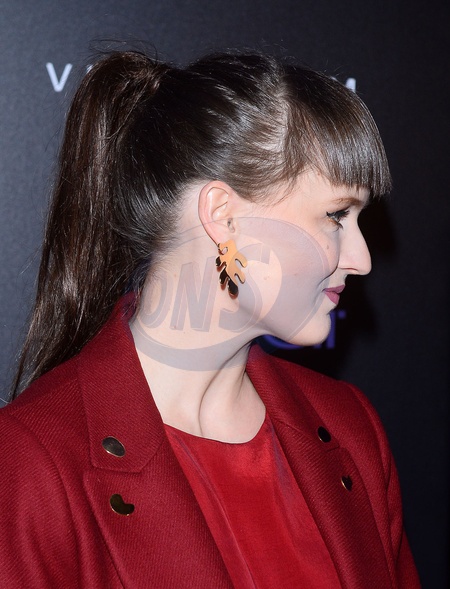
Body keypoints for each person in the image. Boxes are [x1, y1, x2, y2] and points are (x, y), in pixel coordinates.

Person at [0, 50, 420, 588]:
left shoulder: (349, 429)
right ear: (223, 217)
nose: (361, 259)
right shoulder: (32, 464)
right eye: (336, 215)